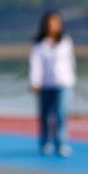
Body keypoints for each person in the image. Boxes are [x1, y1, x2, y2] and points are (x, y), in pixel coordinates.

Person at [29, 10, 76, 156]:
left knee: (60, 113)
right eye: (50, 24)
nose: (53, 27)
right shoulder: (39, 45)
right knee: (45, 114)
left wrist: (71, 79)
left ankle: (61, 142)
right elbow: (35, 64)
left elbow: (70, 62)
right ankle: (45, 141)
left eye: (56, 24)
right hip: (45, 84)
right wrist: (35, 82)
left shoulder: (66, 42)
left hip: (63, 83)